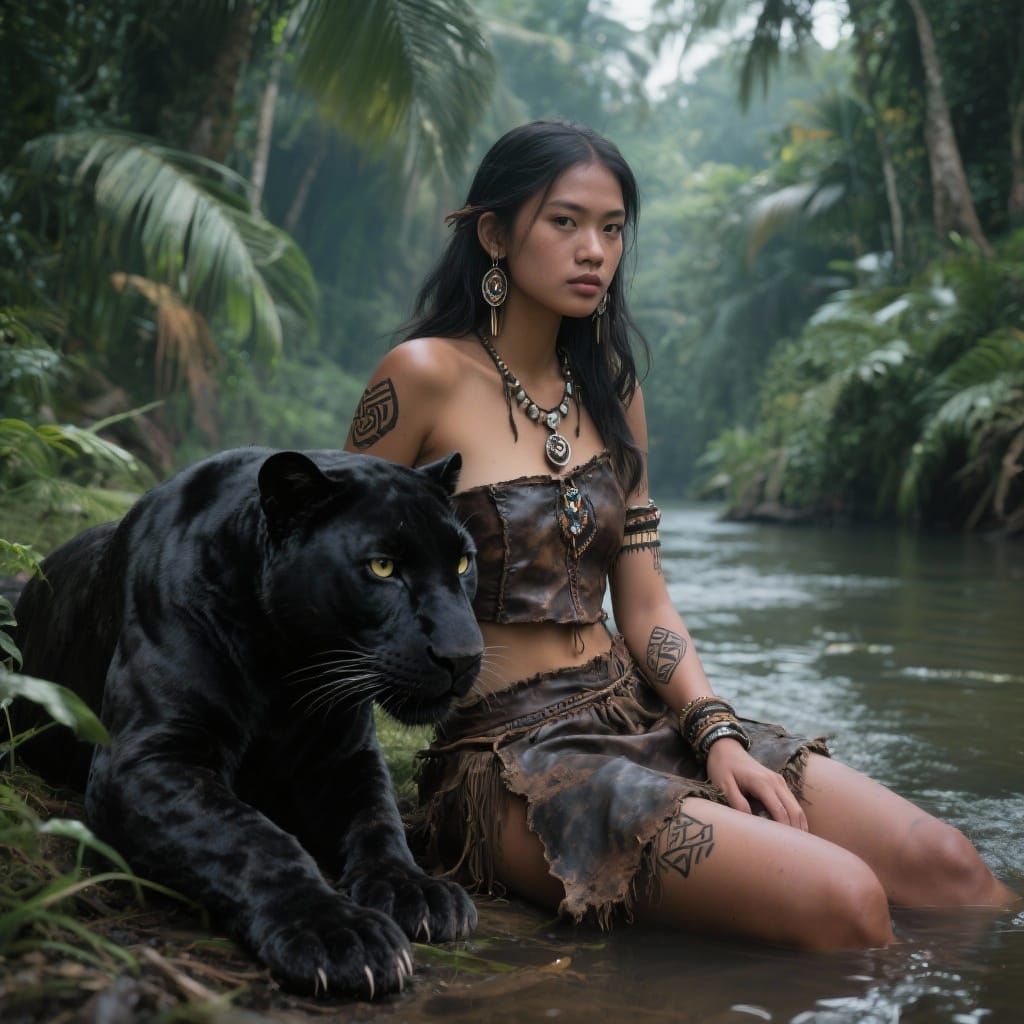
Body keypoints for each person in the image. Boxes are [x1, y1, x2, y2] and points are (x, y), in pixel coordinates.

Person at [344, 120, 1019, 951]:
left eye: (613, 227)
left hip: (640, 709)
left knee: (950, 870)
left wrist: (716, 733)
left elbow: (646, 600)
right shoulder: (422, 376)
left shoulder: (612, 390)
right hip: (510, 763)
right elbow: (338, 567)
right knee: (845, 901)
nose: (594, 249)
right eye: (564, 221)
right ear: (494, 233)